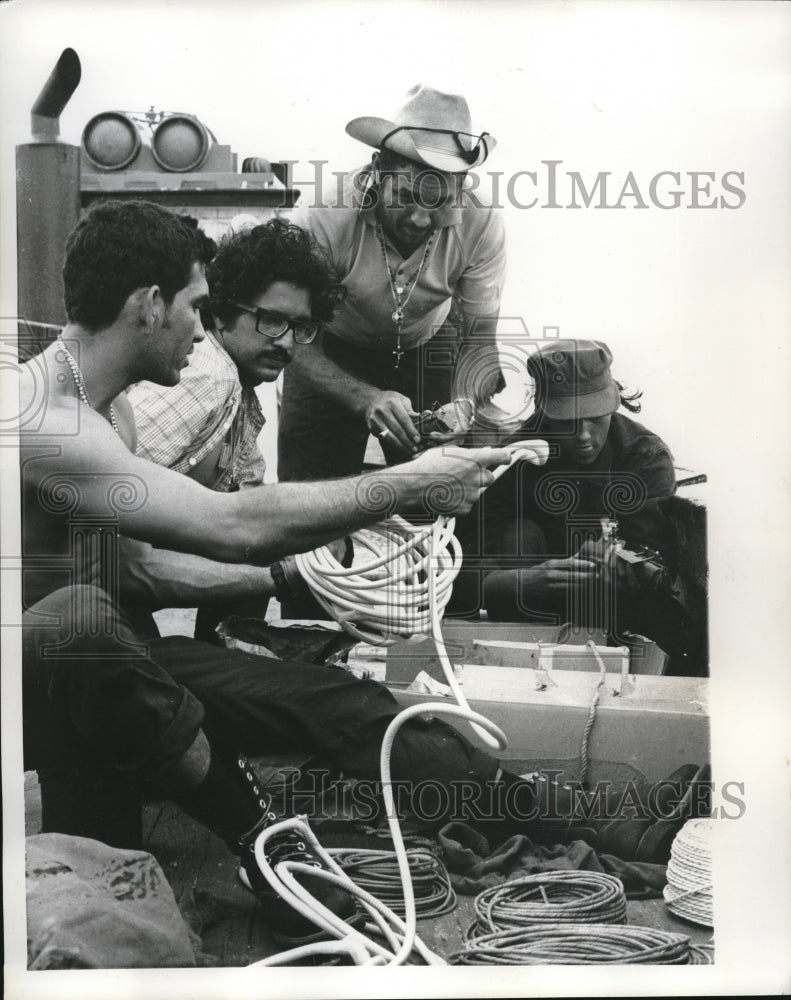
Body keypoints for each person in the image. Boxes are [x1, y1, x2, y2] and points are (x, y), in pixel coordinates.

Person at [27, 200, 652, 949]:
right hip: (52, 677)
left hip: (116, 677)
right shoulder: (43, 418)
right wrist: (407, 484)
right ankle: (272, 849)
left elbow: (143, 570)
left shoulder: (115, 418)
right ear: (149, 304)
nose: (202, 331)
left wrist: (300, 580)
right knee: (82, 630)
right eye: (198, 307)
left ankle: (573, 816)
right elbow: (227, 525)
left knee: (338, 708)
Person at [126, 218, 343, 638]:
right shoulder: (209, 375)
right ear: (222, 313)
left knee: (263, 541)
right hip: (97, 592)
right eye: (271, 320)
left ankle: (231, 651)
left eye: (300, 328)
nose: (286, 342)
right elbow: (107, 491)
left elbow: (252, 512)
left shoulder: (240, 391)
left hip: (129, 585)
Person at [277, 84, 507, 481]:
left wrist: (467, 403)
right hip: (330, 347)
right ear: (377, 171)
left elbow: (480, 337)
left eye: (439, 202)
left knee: (438, 492)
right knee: (308, 497)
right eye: (405, 195)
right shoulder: (322, 215)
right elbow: (287, 335)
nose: (419, 219)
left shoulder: (482, 221)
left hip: (429, 345)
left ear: (462, 185)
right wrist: (364, 398)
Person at [450, 339, 707, 675]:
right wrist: (513, 582)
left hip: (618, 607)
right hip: (535, 606)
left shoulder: (644, 458)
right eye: (567, 421)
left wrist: (625, 560)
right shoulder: (514, 458)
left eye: (595, 418)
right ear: (542, 409)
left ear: (612, 403)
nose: (584, 435)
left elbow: (657, 563)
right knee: (518, 535)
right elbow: (455, 569)